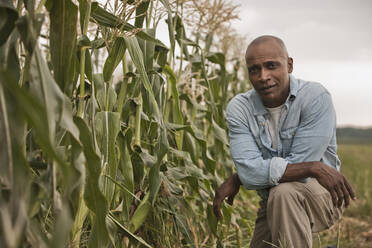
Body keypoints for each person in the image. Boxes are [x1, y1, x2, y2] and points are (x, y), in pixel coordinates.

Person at [213, 35, 356, 248]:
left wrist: (241, 177)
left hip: (323, 196)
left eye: (271, 66)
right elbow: (251, 171)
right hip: (273, 200)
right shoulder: (240, 108)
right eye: (254, 69)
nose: (263, 76)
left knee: (284, 191)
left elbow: (296, 170)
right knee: (279, 196)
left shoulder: (315, 97)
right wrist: (313, 167)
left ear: (289, 65)